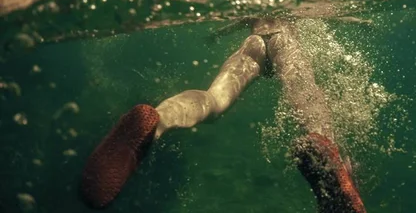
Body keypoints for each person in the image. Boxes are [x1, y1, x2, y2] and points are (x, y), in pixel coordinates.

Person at [80, 17, 367, 212]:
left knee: (214, 99)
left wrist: (218, 34)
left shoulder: (253, 2)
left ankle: (160, 119)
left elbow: (234, 22)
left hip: (254, 43)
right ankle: (336, 172)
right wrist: (359, 21)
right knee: (307, 98)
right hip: (283, 39)